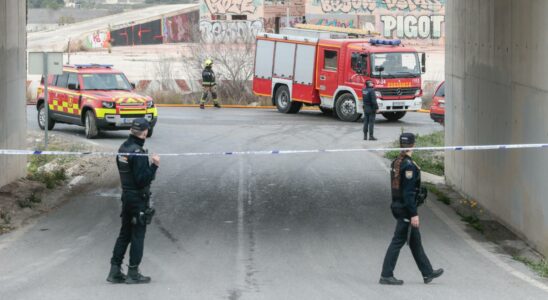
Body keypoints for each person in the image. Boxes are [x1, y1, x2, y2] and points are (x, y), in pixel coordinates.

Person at [379, 133, 443, 285]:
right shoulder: (408, 165)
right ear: (413, 145)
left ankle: (427, 272)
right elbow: (408, 193)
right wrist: (413, 213)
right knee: (398, 240)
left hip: (398, 205)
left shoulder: (397, 161)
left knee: (415, 241)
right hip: (405, 208)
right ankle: (386, 275)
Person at [107, 118, 160, 284]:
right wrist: (154, 165)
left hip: (127, 197)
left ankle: (114, 271)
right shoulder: (138, 153)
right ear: (144, 132)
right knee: (138, 235)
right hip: (138, 199)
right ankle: (133, 273)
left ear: (131, 130)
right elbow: (143, 180)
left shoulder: (123, 148)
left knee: (124, 234)